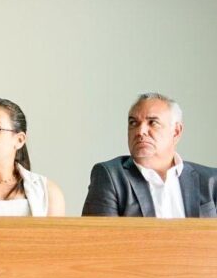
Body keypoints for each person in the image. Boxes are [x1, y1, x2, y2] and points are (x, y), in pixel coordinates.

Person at [82, 93, 217, 218]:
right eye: (133, 123)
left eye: (153, 123)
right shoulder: (111, 176)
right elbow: (99, 235)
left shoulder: (210, 180)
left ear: (176, 132)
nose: (140, 131)